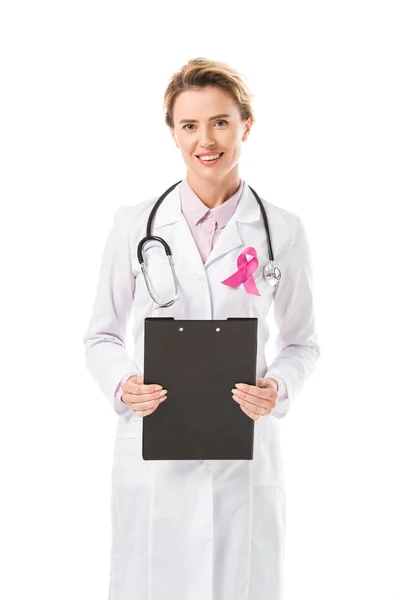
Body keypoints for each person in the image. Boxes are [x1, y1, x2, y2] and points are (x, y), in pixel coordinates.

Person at [83, 57, 321, 600]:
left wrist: (278, 387)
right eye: (189, 125)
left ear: (246, 126)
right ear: (172, 133)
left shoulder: (281, 229)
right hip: (155, 453)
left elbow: (302, 342)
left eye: (220, 121)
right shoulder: (133, 225)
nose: (205, 140)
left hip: (244, 451)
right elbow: (101, 336)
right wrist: (124, 385)